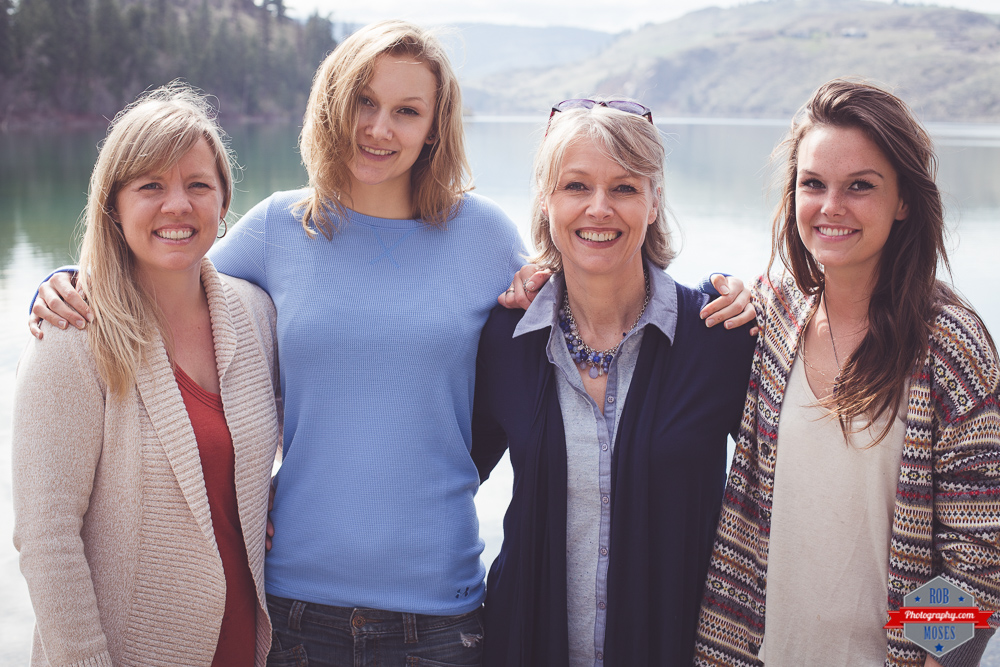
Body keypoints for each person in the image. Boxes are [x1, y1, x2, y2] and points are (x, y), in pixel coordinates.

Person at [25, 22, 754, 666]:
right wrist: (68, 280)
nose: (379, 128)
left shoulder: (484, 236)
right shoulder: (279, 228)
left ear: (434, 127)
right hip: (295, 605)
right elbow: (169, 264)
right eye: (364, 102)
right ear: (332, 106)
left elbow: (593, 274)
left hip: (440, 614)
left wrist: (731, 294)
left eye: (407, 110)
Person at [694, 79, 1000, 667]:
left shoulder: (949, 346)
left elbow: (980, 557)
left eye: (860, 186)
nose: (831, 206)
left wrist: (929, 661)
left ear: (904, 200)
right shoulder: (775, 315)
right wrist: (541, 283)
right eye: (813, 184)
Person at [471, 99, 757, 667]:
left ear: (654, 202)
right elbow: (446, 476)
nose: (599, 208)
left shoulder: (719, 336)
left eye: (624, 188)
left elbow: (778, 507)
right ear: (547, 201)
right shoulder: (506, 338)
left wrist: (935, 636)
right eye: (576, 186)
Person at [12, 84, 280, 666]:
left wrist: (276, 502)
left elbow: (301, 435)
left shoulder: (257, 315)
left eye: (198, 185)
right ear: (113, 206)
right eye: (150, 186)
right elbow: (46, 539)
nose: (177, 205)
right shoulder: (72, 335)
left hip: (246, 645)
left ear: (224, 204)